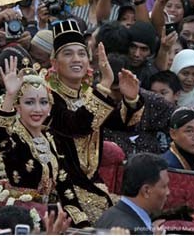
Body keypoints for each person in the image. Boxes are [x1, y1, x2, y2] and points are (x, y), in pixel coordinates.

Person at [47, 19, 143, 223]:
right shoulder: (46, 97)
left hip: (92, 184)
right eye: (68, 53)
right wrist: (105, 84)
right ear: (54, 63)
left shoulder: (89, 94)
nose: (77, 59)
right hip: (61, 190)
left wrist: (131, 98)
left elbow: (124, 123)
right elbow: (77, 125)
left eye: (81, 53)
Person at [0, 55, 90, 227]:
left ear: (50, 107)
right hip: (18, 216)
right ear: (18, 106)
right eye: (29, 102)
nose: (38, 109)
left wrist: (82, 225)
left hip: (47, 214)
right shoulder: (13, 138)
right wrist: (9, 95)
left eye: (43, 102)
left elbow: (65, 188)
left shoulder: (52, 139)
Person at [95, 153, 170, 235]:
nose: (168, 192)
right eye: (164, 186)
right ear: (146, 191)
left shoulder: (109, 215)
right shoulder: (131, 231)